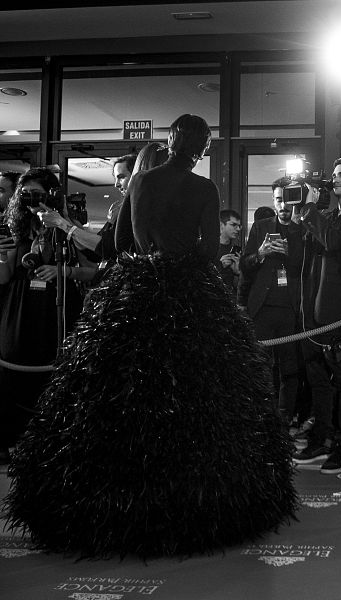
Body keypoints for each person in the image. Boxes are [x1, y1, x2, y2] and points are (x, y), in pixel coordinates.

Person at [3, 114, 296, 558]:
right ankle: (201, 506)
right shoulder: (204, 189)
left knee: (120, 394)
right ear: (204, 148)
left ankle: (109, 507)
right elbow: (209, 250)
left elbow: (121, 244)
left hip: (135, 290)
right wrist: (182, 263)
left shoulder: (140, 183)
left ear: (171, 140)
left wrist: (149, 258)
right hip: (191, 297)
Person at [0, 168, 93, 465]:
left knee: (55, 383)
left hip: (57, 310)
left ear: (51, 195)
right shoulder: (17, 227)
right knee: (14, 379)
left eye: (37, 194)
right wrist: (1, 255)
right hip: (20, 309)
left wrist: (61, 269)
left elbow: (94, 269)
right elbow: (4, 276)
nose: (30, 201)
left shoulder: (66, 227)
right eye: (24, 195)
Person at [291, 157, 341, 475]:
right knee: (319, 381)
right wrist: (303, 213)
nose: (334, 180)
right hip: (313, 309)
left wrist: (310, 211)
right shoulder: (326, 215)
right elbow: (304, 252)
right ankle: (320, 437)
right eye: (334, 175)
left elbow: (335, 241)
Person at [239, 177, 305, 425]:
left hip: (291, 308)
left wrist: (291, 255)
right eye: (278, 199)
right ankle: (262, 418)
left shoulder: (303, 229)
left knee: (290, 368)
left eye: (288, 200)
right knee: (261, 366)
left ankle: (285, 419)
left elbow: (308, 269)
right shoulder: (261, 227)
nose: (283, 205)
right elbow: (245, 266)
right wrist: (261, 254)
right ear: (273, 201)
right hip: (262, 308)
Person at [217, 208, 242, 297]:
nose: (238, 229)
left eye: (239, 226)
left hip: (231, 300)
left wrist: (237, 272)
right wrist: (220, 267)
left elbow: (240, 286)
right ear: (221, 225)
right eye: (234, 225)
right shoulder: (208, 248)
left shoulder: (237, 250)